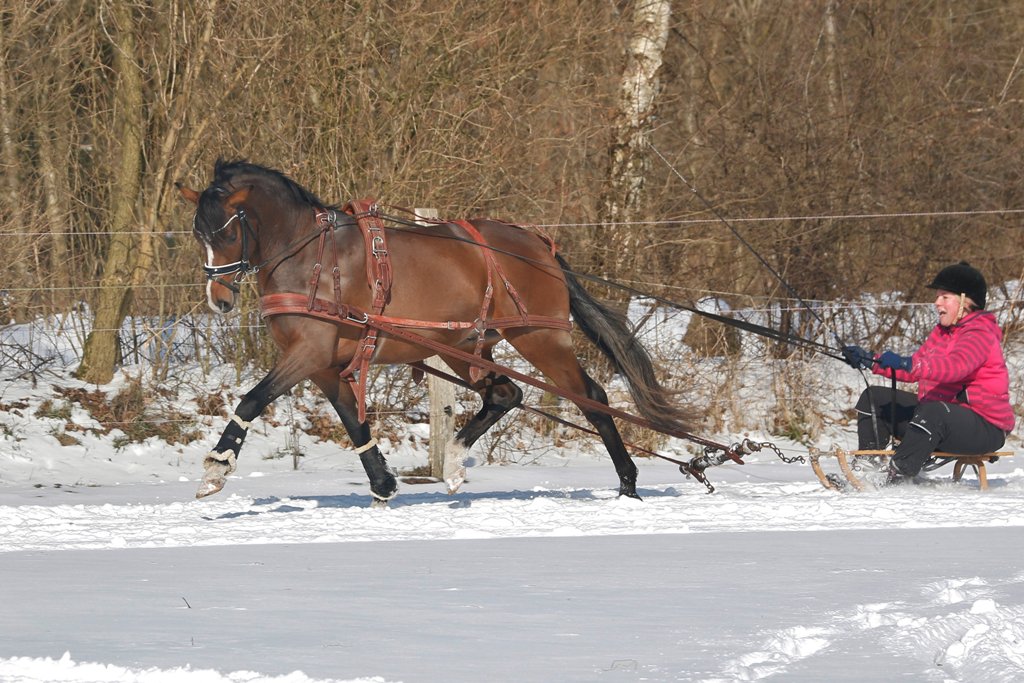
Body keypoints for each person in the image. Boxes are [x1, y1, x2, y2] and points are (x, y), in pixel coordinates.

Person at [841, 261, 1015, 484]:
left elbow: (955, 367)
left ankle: (897, 475)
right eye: (937, 296)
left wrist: (907, 363)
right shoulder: (942, 333)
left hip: (984, 427)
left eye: (944, 297)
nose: (936, 302)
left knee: (934, 412)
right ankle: (868, 469)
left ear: (966, 301)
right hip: (939, 418)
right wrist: (871, 361)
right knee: (874, 397)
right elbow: (917, 369)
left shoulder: (979, 333)